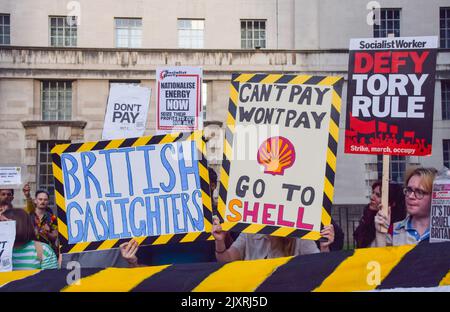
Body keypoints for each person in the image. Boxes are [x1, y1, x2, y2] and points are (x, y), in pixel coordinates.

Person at [211, 216, 335, 262]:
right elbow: (226, 259)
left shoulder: (299, 236)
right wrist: (220, 241)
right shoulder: (249, 232)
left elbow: (319, 266)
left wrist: (325, 247)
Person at [374, 167, 437, 246]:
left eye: (419, 192)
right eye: (409, 190)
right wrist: (380, 234)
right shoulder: (394, 231)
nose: (411, 196)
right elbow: (381, 257)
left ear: (435, 196)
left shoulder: (444, 232)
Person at [353, 181, 406, 248]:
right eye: (373, 193)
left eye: (378, 195)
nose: (372, 197)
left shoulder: (397, 230)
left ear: (392, 203)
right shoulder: (368, 216)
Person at [28, 190, 59, 254]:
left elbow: (55, 236)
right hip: (31, 251)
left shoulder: (52, 218)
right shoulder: (28, 217)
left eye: (45, 200)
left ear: (48, 201)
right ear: (35, 201)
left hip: (48, 252)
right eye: (40, 199)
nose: (43, 201)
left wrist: (46, 233)